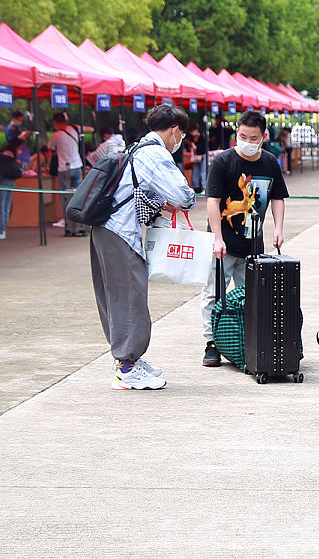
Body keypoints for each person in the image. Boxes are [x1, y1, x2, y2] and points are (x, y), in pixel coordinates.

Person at [90, 104, 196, 391]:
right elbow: (182, 195)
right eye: (182, 134)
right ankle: (127, 367)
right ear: (174, 129)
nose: (181, 140)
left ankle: (130, 359)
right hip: (121, 234)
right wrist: (186, 196)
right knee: (130, 297)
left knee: (116, 297)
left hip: (107, 231)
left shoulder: (136, 147)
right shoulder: (155, 153)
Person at [199, 110, 288, 367]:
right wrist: (217, 238)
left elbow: (277, 197)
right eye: (242, 136)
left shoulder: (270, 162)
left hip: (253, 242)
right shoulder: (223, 161)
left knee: (251, 295)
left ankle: (246, 342)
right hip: (222, 242)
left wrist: (278, 228)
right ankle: (212, 343)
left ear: (263, 137)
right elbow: (213, 202)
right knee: (214, 293)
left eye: (253, 137)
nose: (247, 141)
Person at [47, 112, 86, 236]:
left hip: (64, 168)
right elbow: (91, 129)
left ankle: (68, 223)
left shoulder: (55, 135)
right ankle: (79, 221)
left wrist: (48, 165)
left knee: (65, 196)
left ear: (55, 122)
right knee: (78, 195)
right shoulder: (75, 129)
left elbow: (50, 151)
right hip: (77, 165)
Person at [186, 123, 208, 193]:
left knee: (203, 172)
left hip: (202, 156)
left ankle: (204, 187)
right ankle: (195, 187)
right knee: (195, 172)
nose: (192, 133)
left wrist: (196, 147)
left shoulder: (202, 138)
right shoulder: (191, 138)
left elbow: (204, 149)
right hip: (196, 157)